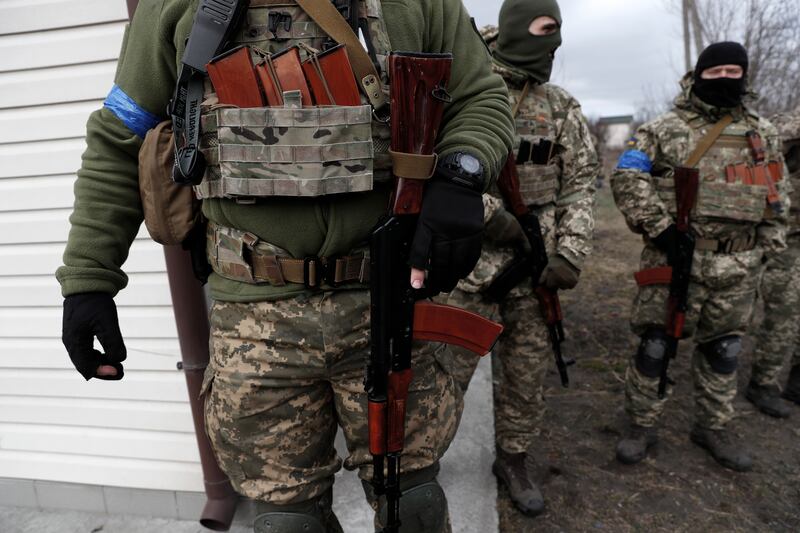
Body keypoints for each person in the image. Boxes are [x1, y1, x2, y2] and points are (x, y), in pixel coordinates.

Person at [56, 1, 514, 531]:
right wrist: (89, 277)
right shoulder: (176, 6)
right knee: (286, 522)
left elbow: (479, 95)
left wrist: (462, 169)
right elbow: (120, 136)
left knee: (412, 504)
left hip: (386, 298)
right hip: (254, 323)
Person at [445, 0, 598, 516]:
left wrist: (570, 254)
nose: (552, 41)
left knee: (526, 376)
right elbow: (441, 170)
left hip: (536, 272)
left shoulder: (561, 109)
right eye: (543, 28)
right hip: (468, 269)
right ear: (515, 28)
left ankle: (513, 458)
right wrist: (493, 216)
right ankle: (420, 461)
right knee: (442, 372)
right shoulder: (466, 88)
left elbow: (580, 186)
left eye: (558, 31)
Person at [612, 42, 789, 472]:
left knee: (724, 351)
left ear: (745, 76)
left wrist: (770, 247)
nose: (726, 78)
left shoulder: (762, 134)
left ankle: (713, 426)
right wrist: (660, 229)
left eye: (735, 70)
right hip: (674, 262)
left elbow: (776, 196)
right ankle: (641, 425)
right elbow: (627, 175)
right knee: (655, 346)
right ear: (698, 74)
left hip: (738, 269)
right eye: (716, 71)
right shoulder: (663, 129)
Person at [745, 107, 800, 417]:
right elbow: (767, 152)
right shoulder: (789, 122)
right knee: (785, 309)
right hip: (789, 231)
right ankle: (763, 383)